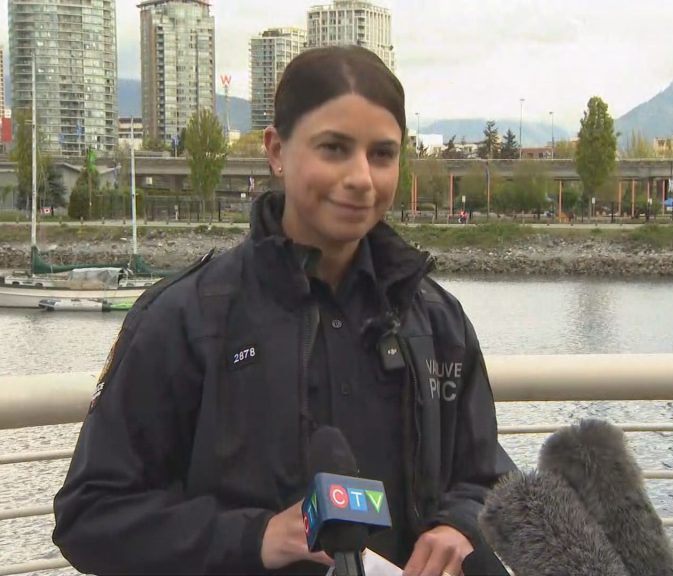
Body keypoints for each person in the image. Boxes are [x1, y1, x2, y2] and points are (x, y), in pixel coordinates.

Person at [52, 46, 516, 576]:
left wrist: (462, 524)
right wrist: (256, 538)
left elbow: (487, 477)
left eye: (382, 154)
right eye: (334, 148)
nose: (361, 177)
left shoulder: (436, 321)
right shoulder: (188, 320)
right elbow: (91, 515)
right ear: (276, 150)